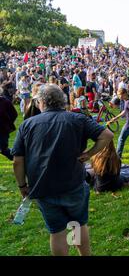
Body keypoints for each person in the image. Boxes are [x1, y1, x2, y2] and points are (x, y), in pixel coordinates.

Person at [11, 84, 114, 256]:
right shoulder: (77, 118)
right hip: (72, 184)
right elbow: (107, 135)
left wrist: (22, 186)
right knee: (77, 224)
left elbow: (17, 161)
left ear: (41, 102)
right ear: (62, 100)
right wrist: (89, 154)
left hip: (43, 187)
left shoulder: (27, 125)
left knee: (57, 230)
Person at [0, 86, 18, 160]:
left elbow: (14, 114)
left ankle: (19, 160)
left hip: (2, 130)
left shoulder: (5, 101)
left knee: (3, 149)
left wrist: (8, 123)